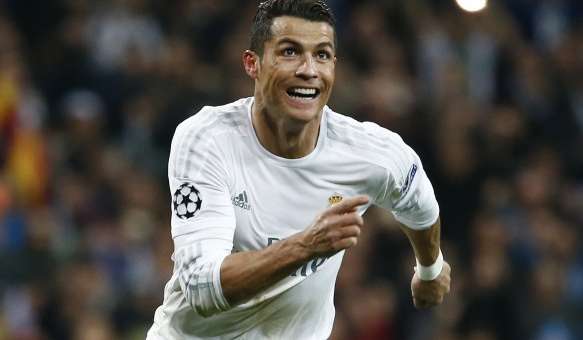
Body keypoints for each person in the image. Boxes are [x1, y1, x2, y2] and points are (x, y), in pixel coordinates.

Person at [147, 0, 451, 338]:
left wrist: (429, 268)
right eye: (290, 52)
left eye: (321, 55)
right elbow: (202, 289)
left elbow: (420, 205)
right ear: (253, 64)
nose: (309, 69)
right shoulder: (208, 140)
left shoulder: (373, 152)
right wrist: (305, 246)